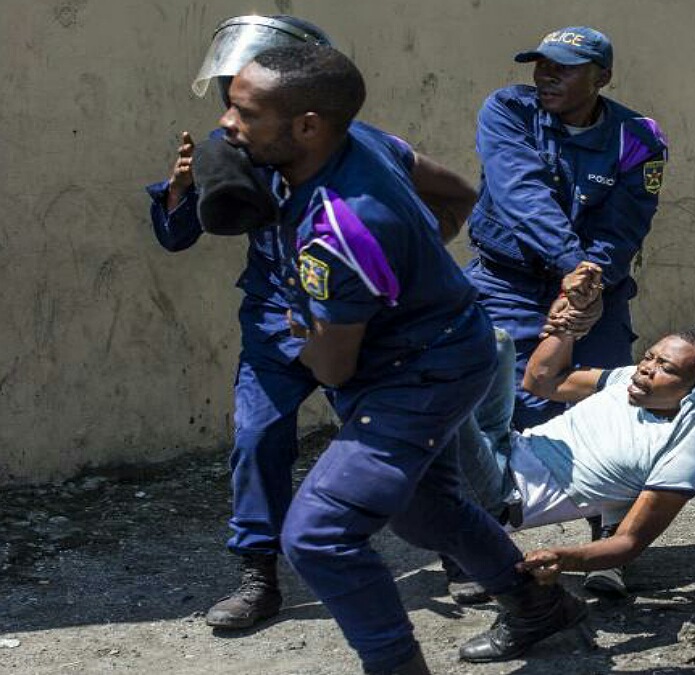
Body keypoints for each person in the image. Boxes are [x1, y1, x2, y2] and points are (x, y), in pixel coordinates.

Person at [218, 44, 584, 675]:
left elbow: (330, 369)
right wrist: (402, 268)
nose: (227, 124)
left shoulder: (338, 234)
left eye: (244, 113)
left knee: (319, 534)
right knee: (426, 509)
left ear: (306, 125)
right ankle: (535, 602)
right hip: (449, 345)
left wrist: (304, 321)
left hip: (419, 376)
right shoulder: (361, 140)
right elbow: (458, 193)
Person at [146, 15, 478, 630]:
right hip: (275, 321)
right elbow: (179, 234)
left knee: (405, 438)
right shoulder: (233, 146)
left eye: (244, 95)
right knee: (256, 437)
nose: (230, 108)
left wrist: (412, 253)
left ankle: (459, 552)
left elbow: (454, 192)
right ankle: (258, 573)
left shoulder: (349, 145)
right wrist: (179, 191)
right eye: (230, 91)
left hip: (348, 324)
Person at [449, 262, 695, 585]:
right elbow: (541, 381)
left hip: (500, 494)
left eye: (667, 369)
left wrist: (566, 558)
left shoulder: (679, 454)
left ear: (691, 392)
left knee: (451, 413)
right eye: (649, 356)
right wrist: (569, 319)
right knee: (494, 341)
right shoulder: (623, 379)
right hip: (504, 442)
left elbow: (629, 542)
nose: (646, 369)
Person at [465, 25, 667, 431]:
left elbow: (624, 226)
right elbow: (522, 195)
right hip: (510, 286)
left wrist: (586, 285)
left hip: (595, 294)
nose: (546, 76)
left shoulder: (638, 137)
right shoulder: (509, 110)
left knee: (609, 409)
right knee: (510, 409)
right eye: (542, 65)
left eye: (566, 68)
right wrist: (573, 267)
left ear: (602, 78)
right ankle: (507, 494)